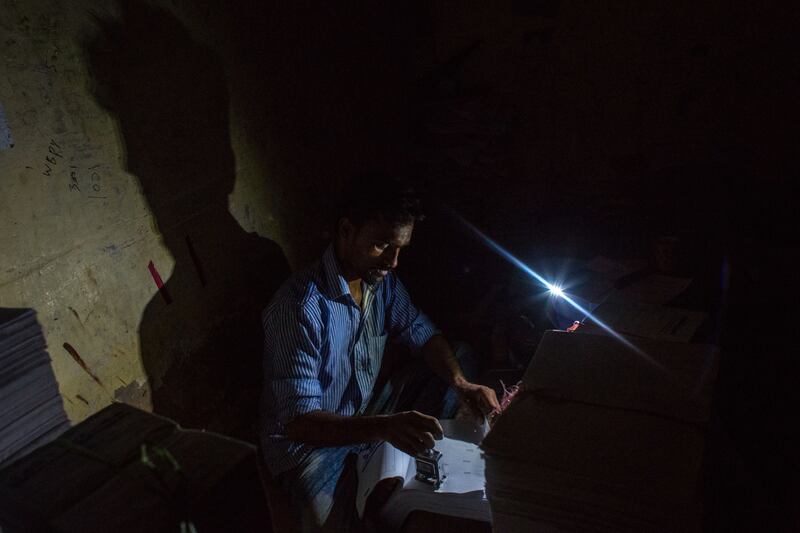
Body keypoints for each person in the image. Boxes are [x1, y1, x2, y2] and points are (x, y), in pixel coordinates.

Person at [259, 173, 499, 531]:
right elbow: (299, 421)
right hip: (311, 445)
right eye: (382, 245)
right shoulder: (299, 308)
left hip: (366, 413)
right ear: (345, 231)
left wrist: (462, 385)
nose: (393, 261)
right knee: (335, 523)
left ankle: (407, 472)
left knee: (457, 358)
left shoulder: (380, 283)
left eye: (400, 248)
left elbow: (422, 332)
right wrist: (385, 428)